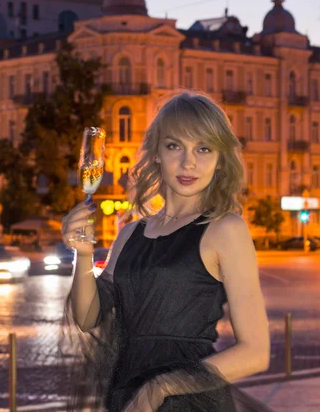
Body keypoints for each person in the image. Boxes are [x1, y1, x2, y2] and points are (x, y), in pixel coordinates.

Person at [59, 91, 271, 411]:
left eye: (203, 148)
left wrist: (160, 388)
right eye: (174, 146)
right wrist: (83, 254)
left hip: (189, 402)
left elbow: (256, 352)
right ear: (156, 152)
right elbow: (88, 318)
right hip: (126, 397)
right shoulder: (131, 234)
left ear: (219, 158)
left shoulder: (225, 229)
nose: (188, 162)